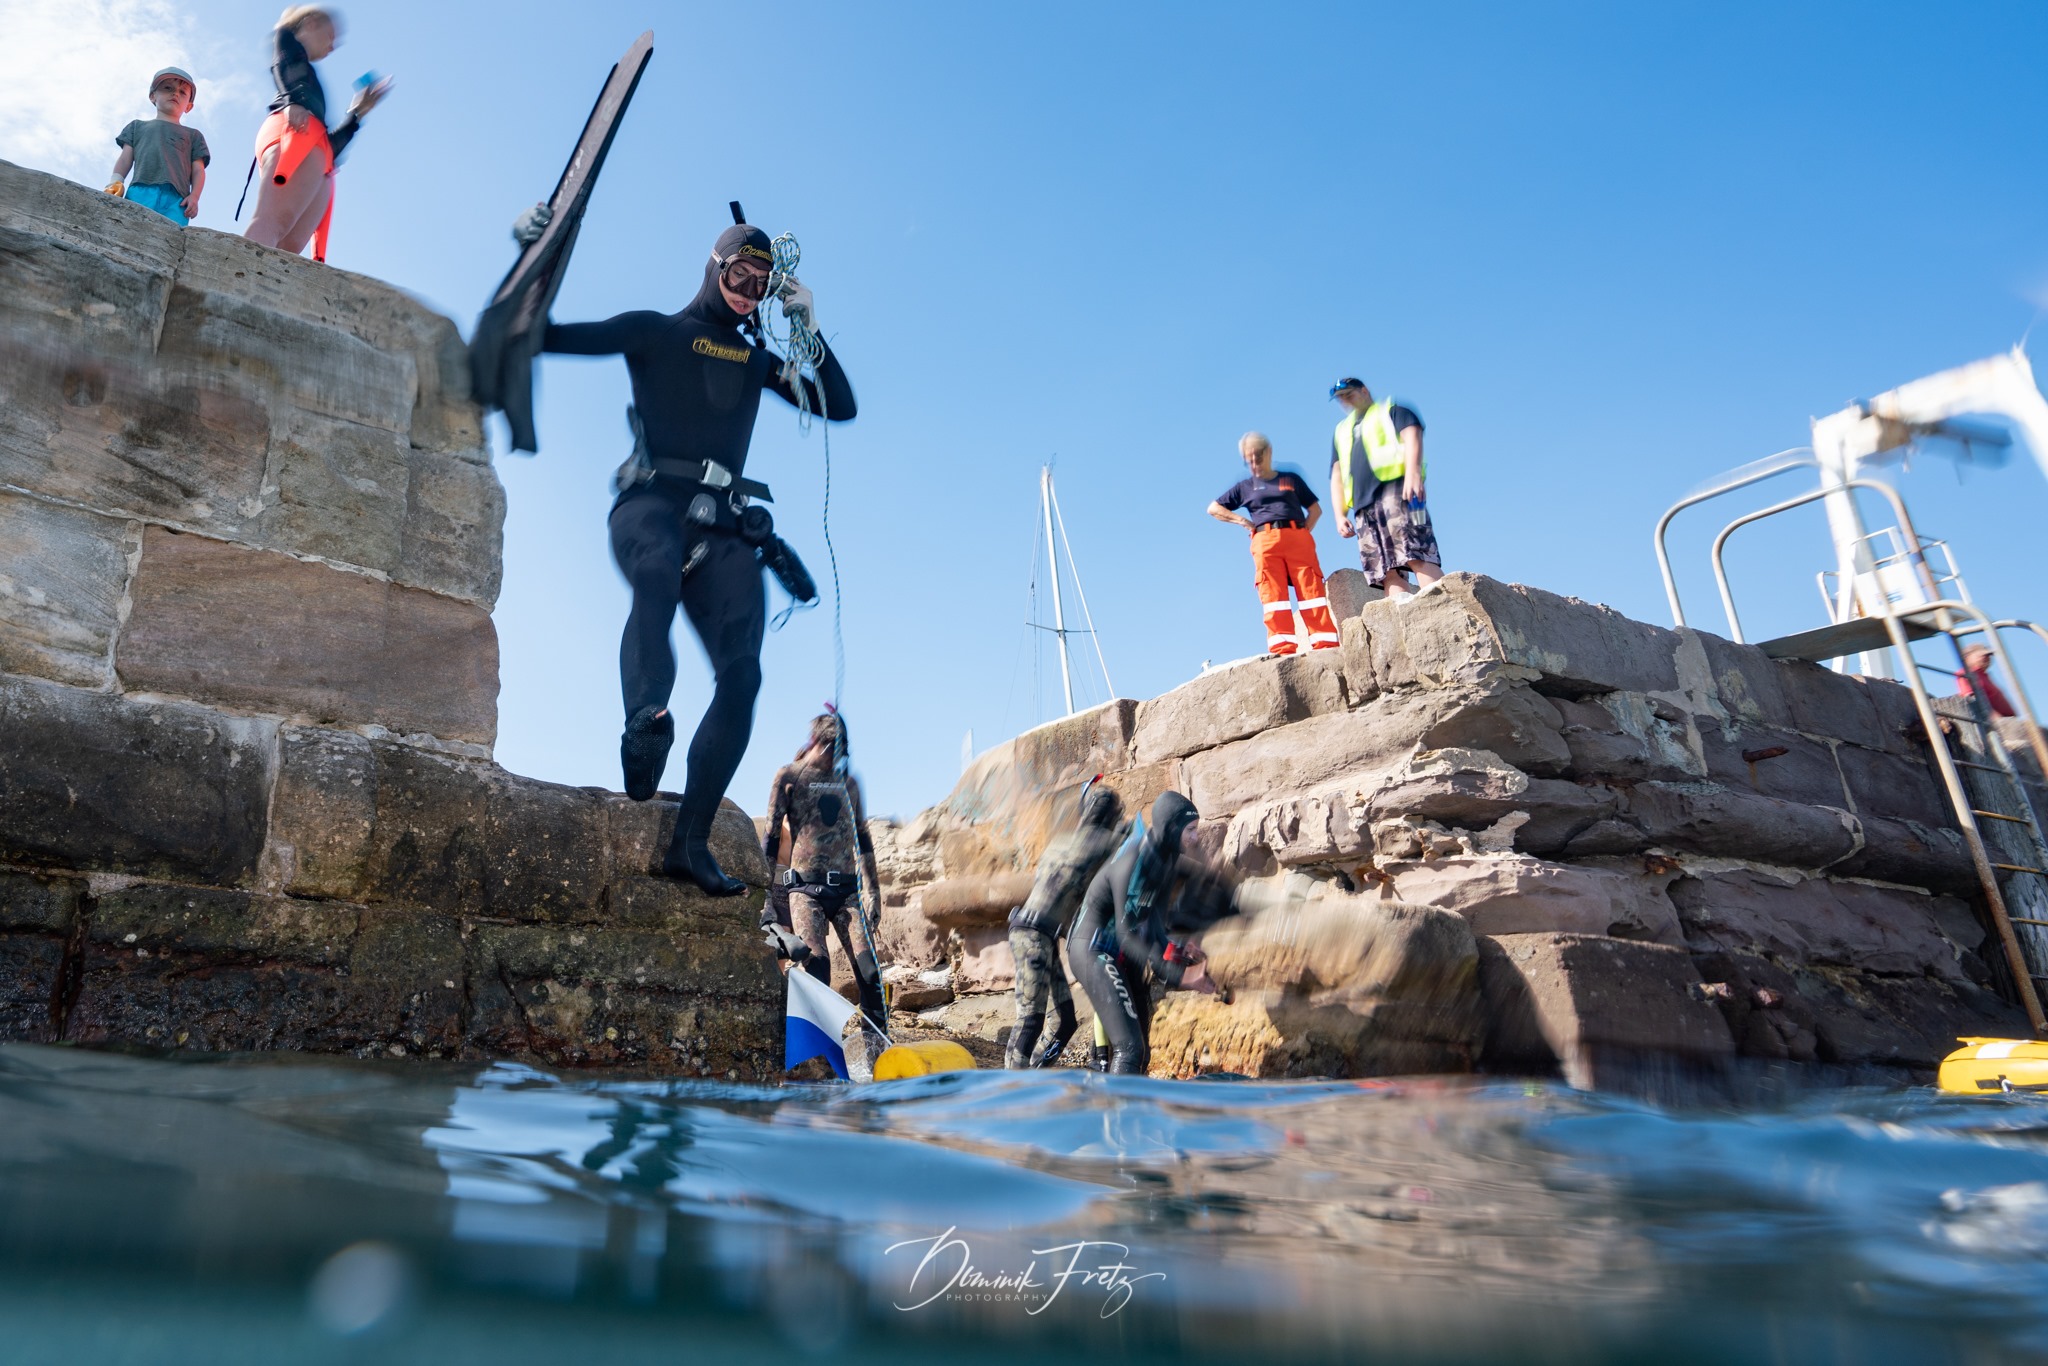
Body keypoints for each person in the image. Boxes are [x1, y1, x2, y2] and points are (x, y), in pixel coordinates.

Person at [530, 207, 856, 894]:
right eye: (739, 273)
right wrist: (537, 253)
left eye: (762, 284)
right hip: (650, 506)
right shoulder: (655, 331)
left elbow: (841, 405)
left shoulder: (759, 361)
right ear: (714, 266)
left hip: (725, 523)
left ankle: (690, 842)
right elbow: (546, 335)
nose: (747, 290)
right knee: (656, 576)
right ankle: (645, 723)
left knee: (744, 678)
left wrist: (810, 323)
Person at [1067, 792, 1219, 1075]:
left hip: (1124, 956)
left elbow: (1155, 930)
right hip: (1093, 948)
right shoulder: (1134, 858)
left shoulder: (1166, 860)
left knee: (1143, 1051)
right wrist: (1180, 976)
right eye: (1191, 830)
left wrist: (1180, 949)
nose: (1196, 838)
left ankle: (1124, 1114)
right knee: (1130, 1048)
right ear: (1171, 828)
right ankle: (1119, 1116)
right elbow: (1126, 933)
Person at [761, 712, 885, 1034]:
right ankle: (814, 1057)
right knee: (817, 969)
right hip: (805, 892)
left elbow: (864, 838)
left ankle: (876, 1050)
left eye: (842, 752)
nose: (836, 758)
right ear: (816, 742)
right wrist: (764, 899)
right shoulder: (789, 776)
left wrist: (873, 891)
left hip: (847, 894)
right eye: (832, 750)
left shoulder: (850, 784)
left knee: (870, 974)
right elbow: (771, 839)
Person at [243, 6, 391, 261]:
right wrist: (291, 100)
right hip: (294, 133)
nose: (334, 46)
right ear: (310, 23)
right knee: (274, 221)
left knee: (292, 243)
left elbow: (330, 147)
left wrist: (357, 114)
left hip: (319, 149)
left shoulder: (306, 82)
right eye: (331, 35)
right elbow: (282, 54)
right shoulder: (287, 43)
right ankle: (237, 282)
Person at [1005, 781, 1126, 1070]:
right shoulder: (1105, 842)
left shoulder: (1059, 841)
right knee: (1031, 1020)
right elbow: (1136, 846)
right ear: (1111, 816)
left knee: (1064, 1021)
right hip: (1034, 935)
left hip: (1034, 933)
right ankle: (1010, 1090)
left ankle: (1034, 1074)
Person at [1207, 432, 1340, 654]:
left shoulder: (1290, 479)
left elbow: (1316, 509)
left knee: (1310, 587)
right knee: (1272, 593)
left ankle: (1325, 642)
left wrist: (1304, 531)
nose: (1253, 464)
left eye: (1257, 457)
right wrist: (1243, 521)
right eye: (1248, 459)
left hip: (1298, 537)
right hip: (1265, 541)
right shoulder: (1245, 487)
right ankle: (1282, 646)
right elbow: (1214, 508)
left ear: (1268, 452)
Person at [1329, 377, 1444, 603]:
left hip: (1402, 493)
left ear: (1364, 391)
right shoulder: (1342, 430)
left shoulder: (1391, 410)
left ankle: (1441, 607)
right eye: (1341, 399)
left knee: (1418, 552)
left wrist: (1413, 473)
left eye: (1349, 395)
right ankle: (1404, 620)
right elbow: (1336, 473)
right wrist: (1339, 514)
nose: (1346, 401)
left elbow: (1411, 435)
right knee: (1385, 569)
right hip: (1363, 505)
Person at [106, 68, 210, 226]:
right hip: (141, 190)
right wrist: (115, 182)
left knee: (171, 237)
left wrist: (195, 196)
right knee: (133, 228)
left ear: (189, 106)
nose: (175, 93)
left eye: (182, 92)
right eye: (168, 88)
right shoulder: (137, 127)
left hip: (177, 199)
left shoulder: (194, 136)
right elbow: (126, 158)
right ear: (153, 96)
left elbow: (198, 170)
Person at [1957, 644, 2018, 719]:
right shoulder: (1966, 674)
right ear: (1967, 657)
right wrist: (1995, 718)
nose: (1987, 658)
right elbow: (1972, 698)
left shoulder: (1983, 675)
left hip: (2007, 719)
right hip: (1994, 722)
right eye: (1981, 655)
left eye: (1988, 656)